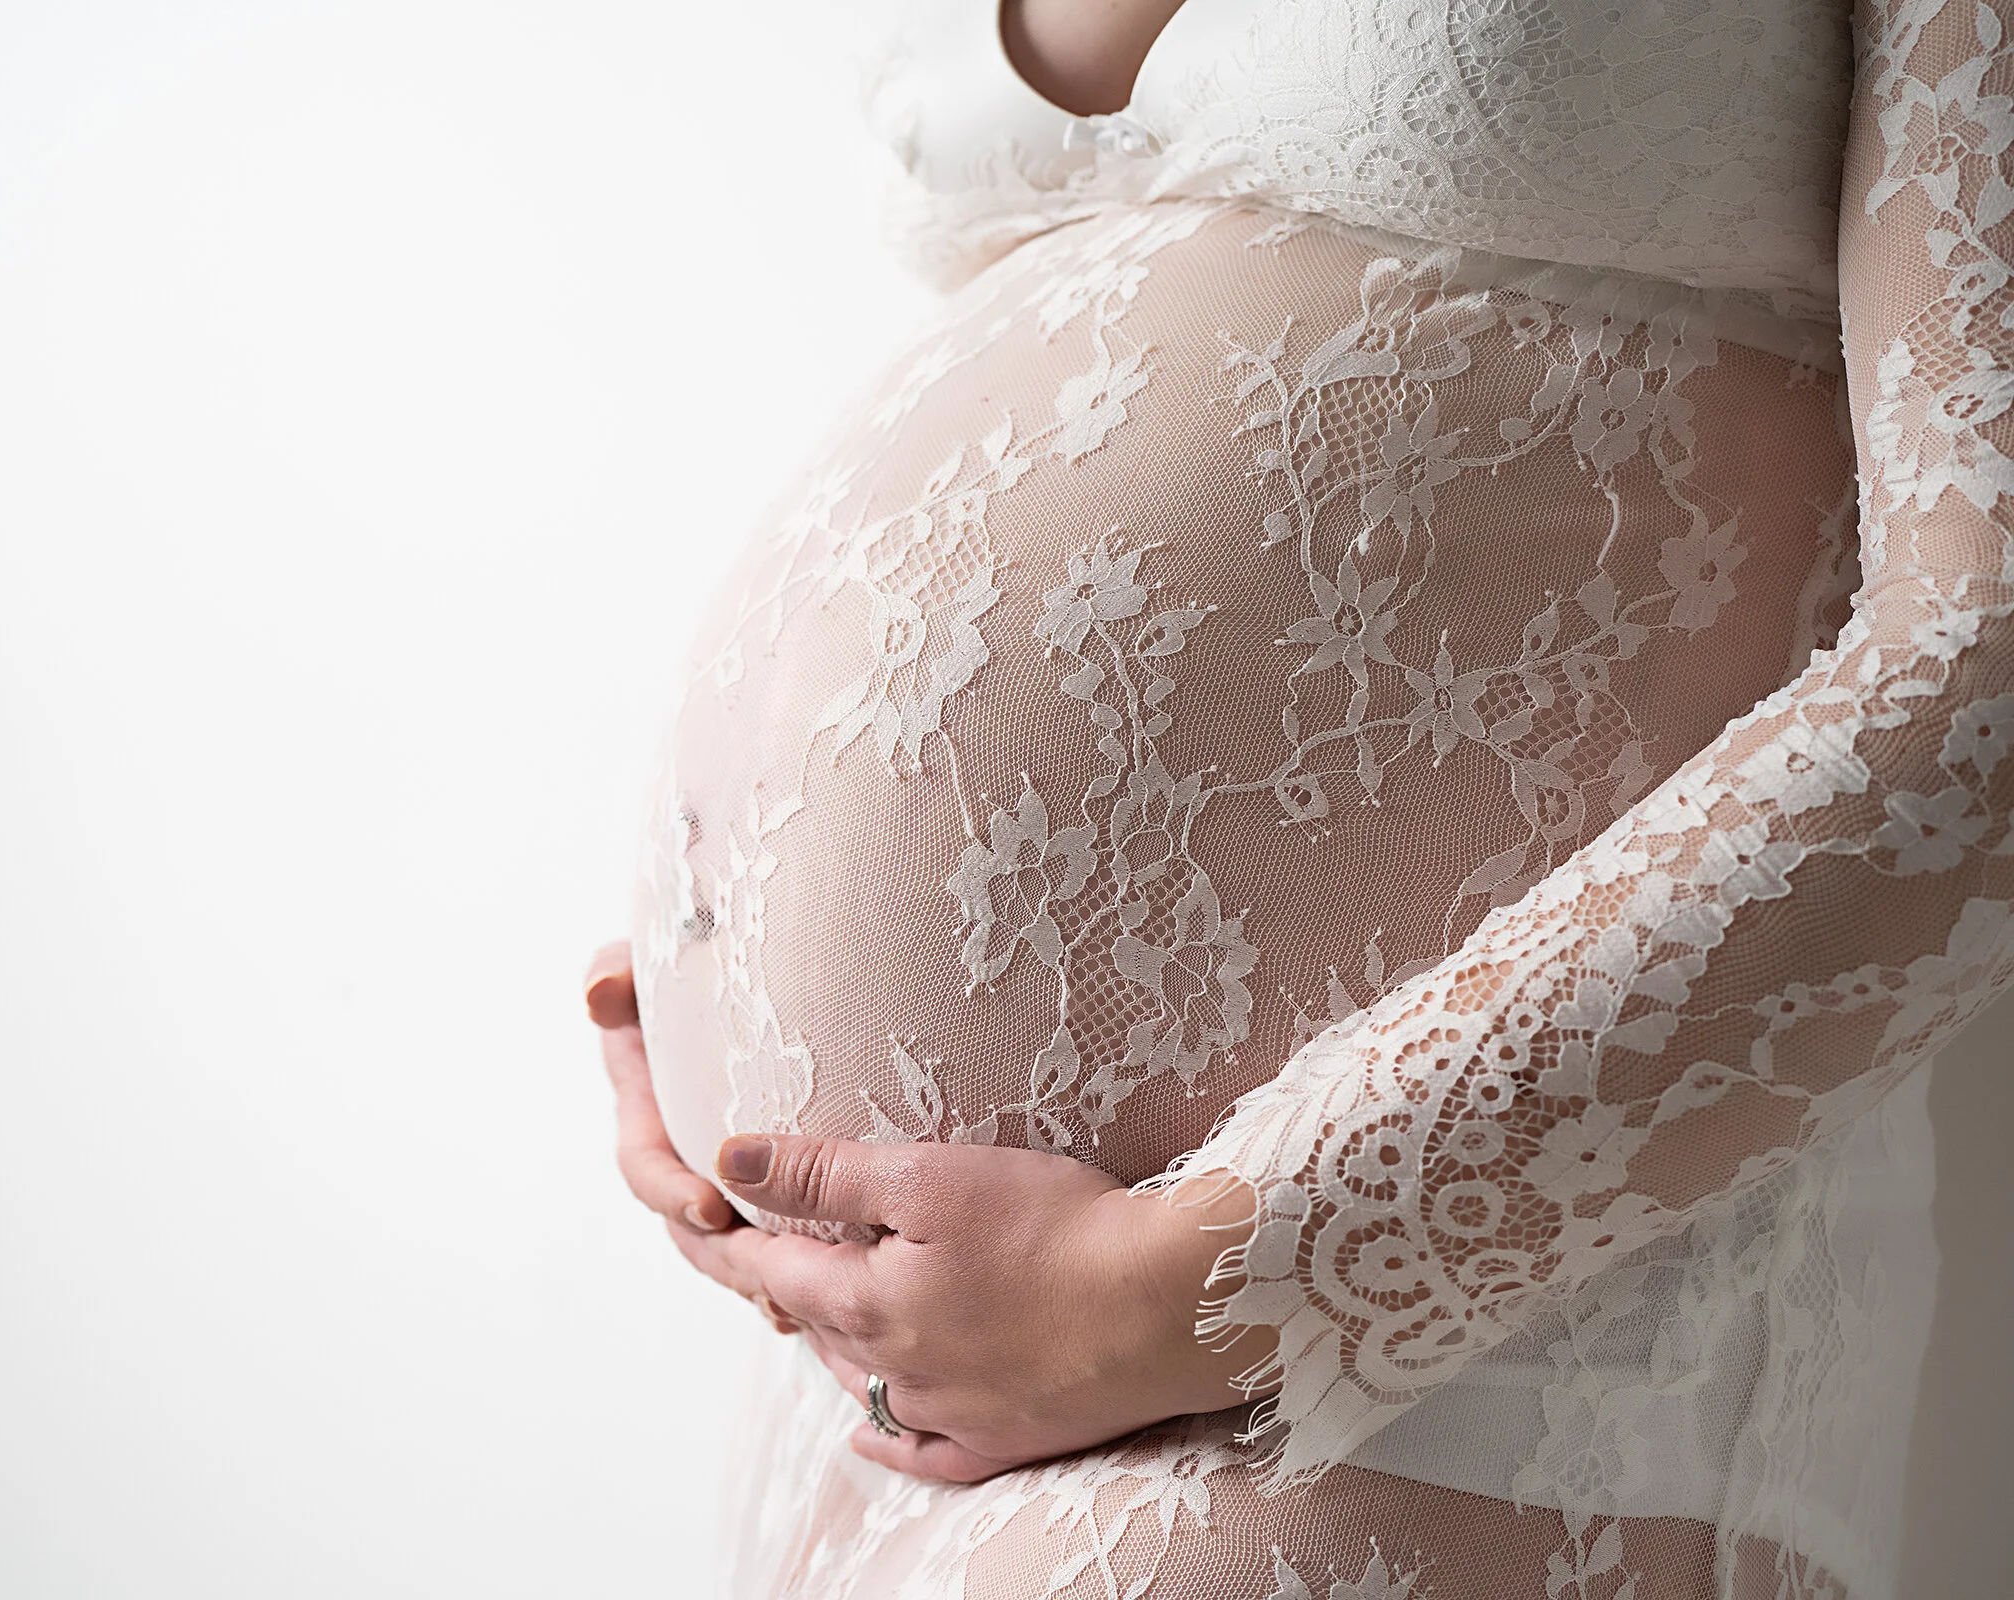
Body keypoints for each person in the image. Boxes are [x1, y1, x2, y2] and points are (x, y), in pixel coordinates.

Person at [590, 0, 2014, 1593]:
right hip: (899, 1367)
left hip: (1439, 1354)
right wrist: (715, 962)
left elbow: (1992, 655)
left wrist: (1196, 1287)